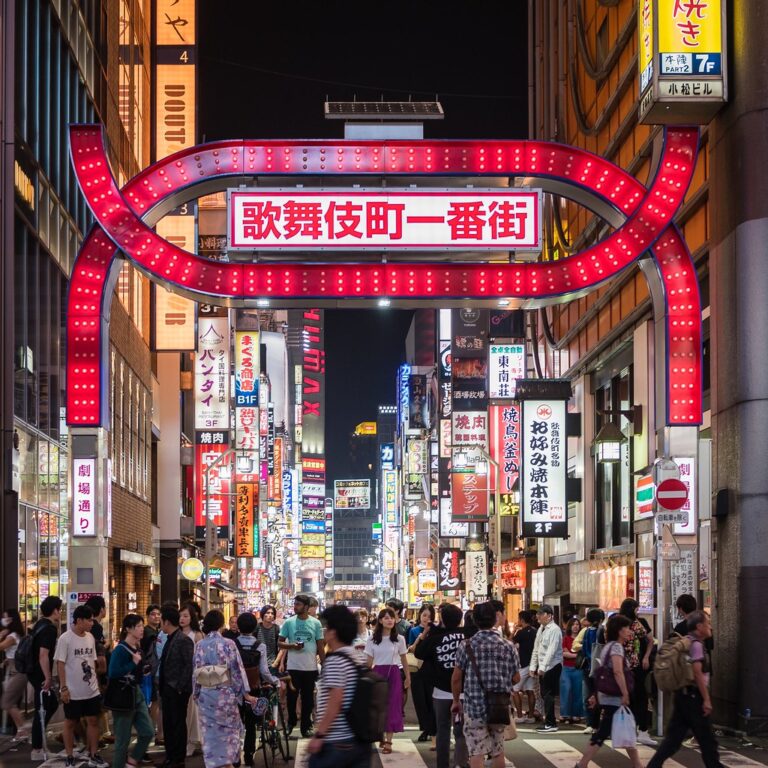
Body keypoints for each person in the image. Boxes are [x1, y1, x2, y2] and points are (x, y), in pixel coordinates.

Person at [647, 611, 721, 768]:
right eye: (708, 623)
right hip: (694, 697)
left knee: (673, 739)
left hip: (682, 696)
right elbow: (697, 673)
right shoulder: (696, 645)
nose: (710, 627)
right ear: (699, 626)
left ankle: (653, 765)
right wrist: (706, 699)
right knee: (707, 740)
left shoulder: (686, 641)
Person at [452, 602, 519, 768]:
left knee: (476, 752)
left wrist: (455, 701)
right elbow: (516, 678)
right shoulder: (508, 646)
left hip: (474, 708)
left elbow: (456, 678)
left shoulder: (466, 646)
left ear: (475, 620)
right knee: (498, 750)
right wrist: (502, 681)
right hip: (499, 706)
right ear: (496, 618)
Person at [306, 605, 371, 768]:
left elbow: (335, 701)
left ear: (333, 633)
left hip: (337, 741)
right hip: (358, 738)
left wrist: (319, 735)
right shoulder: (356, 656)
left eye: (326, 628)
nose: (324, 631)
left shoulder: (336, 660)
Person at [575, 614, 642, 768]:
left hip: (607, 696)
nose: (629, 631)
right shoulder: (617, 647)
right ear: (619, 630)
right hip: (615, 697)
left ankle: (583, 764)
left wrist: (596, 695)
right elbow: (618, 672)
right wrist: (625, 693)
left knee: (617, 730)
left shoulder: (607, 647)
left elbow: (602, 672)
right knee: (609, 731)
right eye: (626, 628)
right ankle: (582, 764)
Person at [193, 610, 256, 768]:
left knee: (210, 734)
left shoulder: (200, 646)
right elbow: (236, 671)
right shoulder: (229, 644)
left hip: (207, 694)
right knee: (228, 732)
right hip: (225, 695)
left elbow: (196, 672)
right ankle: (227, 763)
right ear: (222, 625)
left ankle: (215, 763)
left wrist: (196, 693)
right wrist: (243, 693)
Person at [414, 603, 468, 768]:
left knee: (443, 731)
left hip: (441, 693)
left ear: (442, 620)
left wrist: (427, 633)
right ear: (460, 619)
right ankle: (460, 763)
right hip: (464, 693)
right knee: (461, 733)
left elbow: (419, 653)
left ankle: (442, 765)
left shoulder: (436, 637)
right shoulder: (467, 635)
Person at [54, 604, 106, 768]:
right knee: (70, 722)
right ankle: (70, 755)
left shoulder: (90, 637)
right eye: (89, 620)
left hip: (91, 689)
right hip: (72, 690)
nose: (92, 623)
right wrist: (63, 688)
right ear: (79, 620)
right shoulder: (65, 638)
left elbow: (93, 661)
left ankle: (94, 753)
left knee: (93, 721)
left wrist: (96, 683)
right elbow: (60, 664)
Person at [108, 614, 155, 768]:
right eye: (138, 626)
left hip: (137, 694)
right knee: (122, 741)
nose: (142, 629)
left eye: (142, 626)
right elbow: (113, 672)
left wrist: (143, 670)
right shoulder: (120, 650)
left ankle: (133, 760)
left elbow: (138, 672)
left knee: (148, 732)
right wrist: (132, 664)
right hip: (123, 698)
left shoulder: (138, 648)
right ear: (128, 629)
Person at [235, 611, 280, 766]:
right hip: (253, 688)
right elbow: (264, 671)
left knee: (235, 722)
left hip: (235, 689)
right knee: (251, 724)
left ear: (238, 627)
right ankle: (248, 754)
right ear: (254, 627)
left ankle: (234, 756)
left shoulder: (232, 644)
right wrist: (274, 681)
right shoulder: (259, 646)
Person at [279, 594, 325, 738]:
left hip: (310, 668)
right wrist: (292, 645)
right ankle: (291, 722)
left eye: (298, 604)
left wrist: (325, 664)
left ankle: (306, 726)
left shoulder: (316, 623)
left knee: (308, 699)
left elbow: (320, 646)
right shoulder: (289, 622)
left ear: (306, 607)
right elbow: (279, 642)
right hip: (293, 667)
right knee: (291, 697)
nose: (295, 607)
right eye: (295, 604)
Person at [364, 607, 410, 753]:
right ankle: (380, 736)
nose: (390, 620)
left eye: (392, 617)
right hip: (377, 674)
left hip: (394, 673)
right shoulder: (372, 640)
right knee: (377, 707)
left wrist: (408, 677)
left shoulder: (399, 639)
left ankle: (389, 741)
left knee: (393, 706)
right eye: (386, 618)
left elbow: (404, 659)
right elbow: (368, 662)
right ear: (380, 620)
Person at [159, 605, 194, 768]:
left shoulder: (183, 640)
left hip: (177, 690)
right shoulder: (170, 638)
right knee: (168, 723)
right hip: (167, 688)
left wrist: (180, 687)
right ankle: (170, 756)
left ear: (167, 622)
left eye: (161, 621)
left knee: (177, 723)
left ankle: (177, 758)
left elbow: (189, 665)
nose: (160, 624)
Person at [618, 598, 655, 746]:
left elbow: (650, 640)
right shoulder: (621, 622)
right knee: (628, 697)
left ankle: (642, 730)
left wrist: (646, 657)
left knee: (639, 695)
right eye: (636, 608)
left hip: (637, 666)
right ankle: (630, 730)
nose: (637, 611)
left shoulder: (640, 623)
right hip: (623, 665)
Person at [29, 595, 62, 761]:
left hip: (34, 672)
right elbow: (43, 654)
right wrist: (48, 677)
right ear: (55, 610)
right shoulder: (49, 628)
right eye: (60, 609)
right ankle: (37, 748)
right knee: (42, 708)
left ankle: (39, 742)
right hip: (40, 674)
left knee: (47, 705)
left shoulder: (39, 624)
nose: (60, 613)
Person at [530, 604, 563, 733]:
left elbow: (552, 650)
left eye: (541, 614)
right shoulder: (541, 628)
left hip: (553, 665)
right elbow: (536, 648)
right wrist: (533, 665)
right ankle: (549, 721)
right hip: (544, 666)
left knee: (548, 694)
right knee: (545, 694)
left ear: (549, 616)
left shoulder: (555, 629)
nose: (538, 616)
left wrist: (543, 667)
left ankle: (550, 723)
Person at [572, 608, 605, 734]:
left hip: (587, 667)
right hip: (599, 667)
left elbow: (581, 648)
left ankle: (590, 723)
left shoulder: (586, 631)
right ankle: (597, 725)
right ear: (601, 619)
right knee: (599, 696)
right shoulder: (602, 631)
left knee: (588, 695)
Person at [407, 604, 436, 742]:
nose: (426, 618)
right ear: (419, 616)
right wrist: (421, 637)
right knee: (420, 701)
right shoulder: (413, 631)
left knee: (432, 700)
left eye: (429, 616)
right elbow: (411, 649)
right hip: (417, 669)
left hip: (432, 669)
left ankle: (431, 729)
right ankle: (425, 728)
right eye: (424, 615)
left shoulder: (436, 631)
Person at [0, 608, 30, 740]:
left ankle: (23, 728)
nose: (4, 620)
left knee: (6, 702)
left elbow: (1, 647)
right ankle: (22, 729)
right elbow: (14, 653)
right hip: (15, 671)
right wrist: (7, 660)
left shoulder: (12, 636)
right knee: (10, 702)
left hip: (18, 673)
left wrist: (1, 635)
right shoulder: (16, 635)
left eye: (6, 618)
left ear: (12, 620)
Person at [179, 602, 203, 757]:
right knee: (183, 712)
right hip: (179, 677)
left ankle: (193, 741)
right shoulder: (176, 633)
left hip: (194, 677)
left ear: (192, 617)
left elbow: (200, 658)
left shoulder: (197, 634)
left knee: (193, 711)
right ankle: (186, 741)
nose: (182, 619)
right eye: (180, 616)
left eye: (186, 616)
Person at [141, 605, 162, 745]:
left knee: (154, 702)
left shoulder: (157, 632)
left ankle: (152, 728)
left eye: (158, 614)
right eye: (153, 614)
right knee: (152, 702)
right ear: (147, 616)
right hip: (150, 673)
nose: (156, 617)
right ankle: (150, 729)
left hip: (154, 672)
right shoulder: (148, 633)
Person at [512, 610, 538, 724]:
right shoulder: (535, 631)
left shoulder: (521, 632)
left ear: (522, 620)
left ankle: (519, 715)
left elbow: (510, 642)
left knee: (515, 690)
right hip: (533, 665)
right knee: (530, 690)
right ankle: (531, 716)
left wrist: (513, 630)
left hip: (523, 665)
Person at [560, 617, 585, 723]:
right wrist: (577, 655)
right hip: (566, 668)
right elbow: (564, 653)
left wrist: (573, 655)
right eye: (573, 624)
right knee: (566, 689)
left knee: (578, 691)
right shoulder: (565, 638)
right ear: (569, 626)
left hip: (578, 668)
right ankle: (565, 714)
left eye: (577, 624)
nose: (575, 626)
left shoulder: (582, 640)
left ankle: (576, 714)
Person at [255, 605, 281, 672]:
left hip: (271, 664)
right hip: (258, 664)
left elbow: (282, 647)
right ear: (263, 614)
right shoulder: (257, 627)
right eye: (267, 613)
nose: (270, 615)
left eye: (272, 613)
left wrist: (276, 663)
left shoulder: (276, 628)